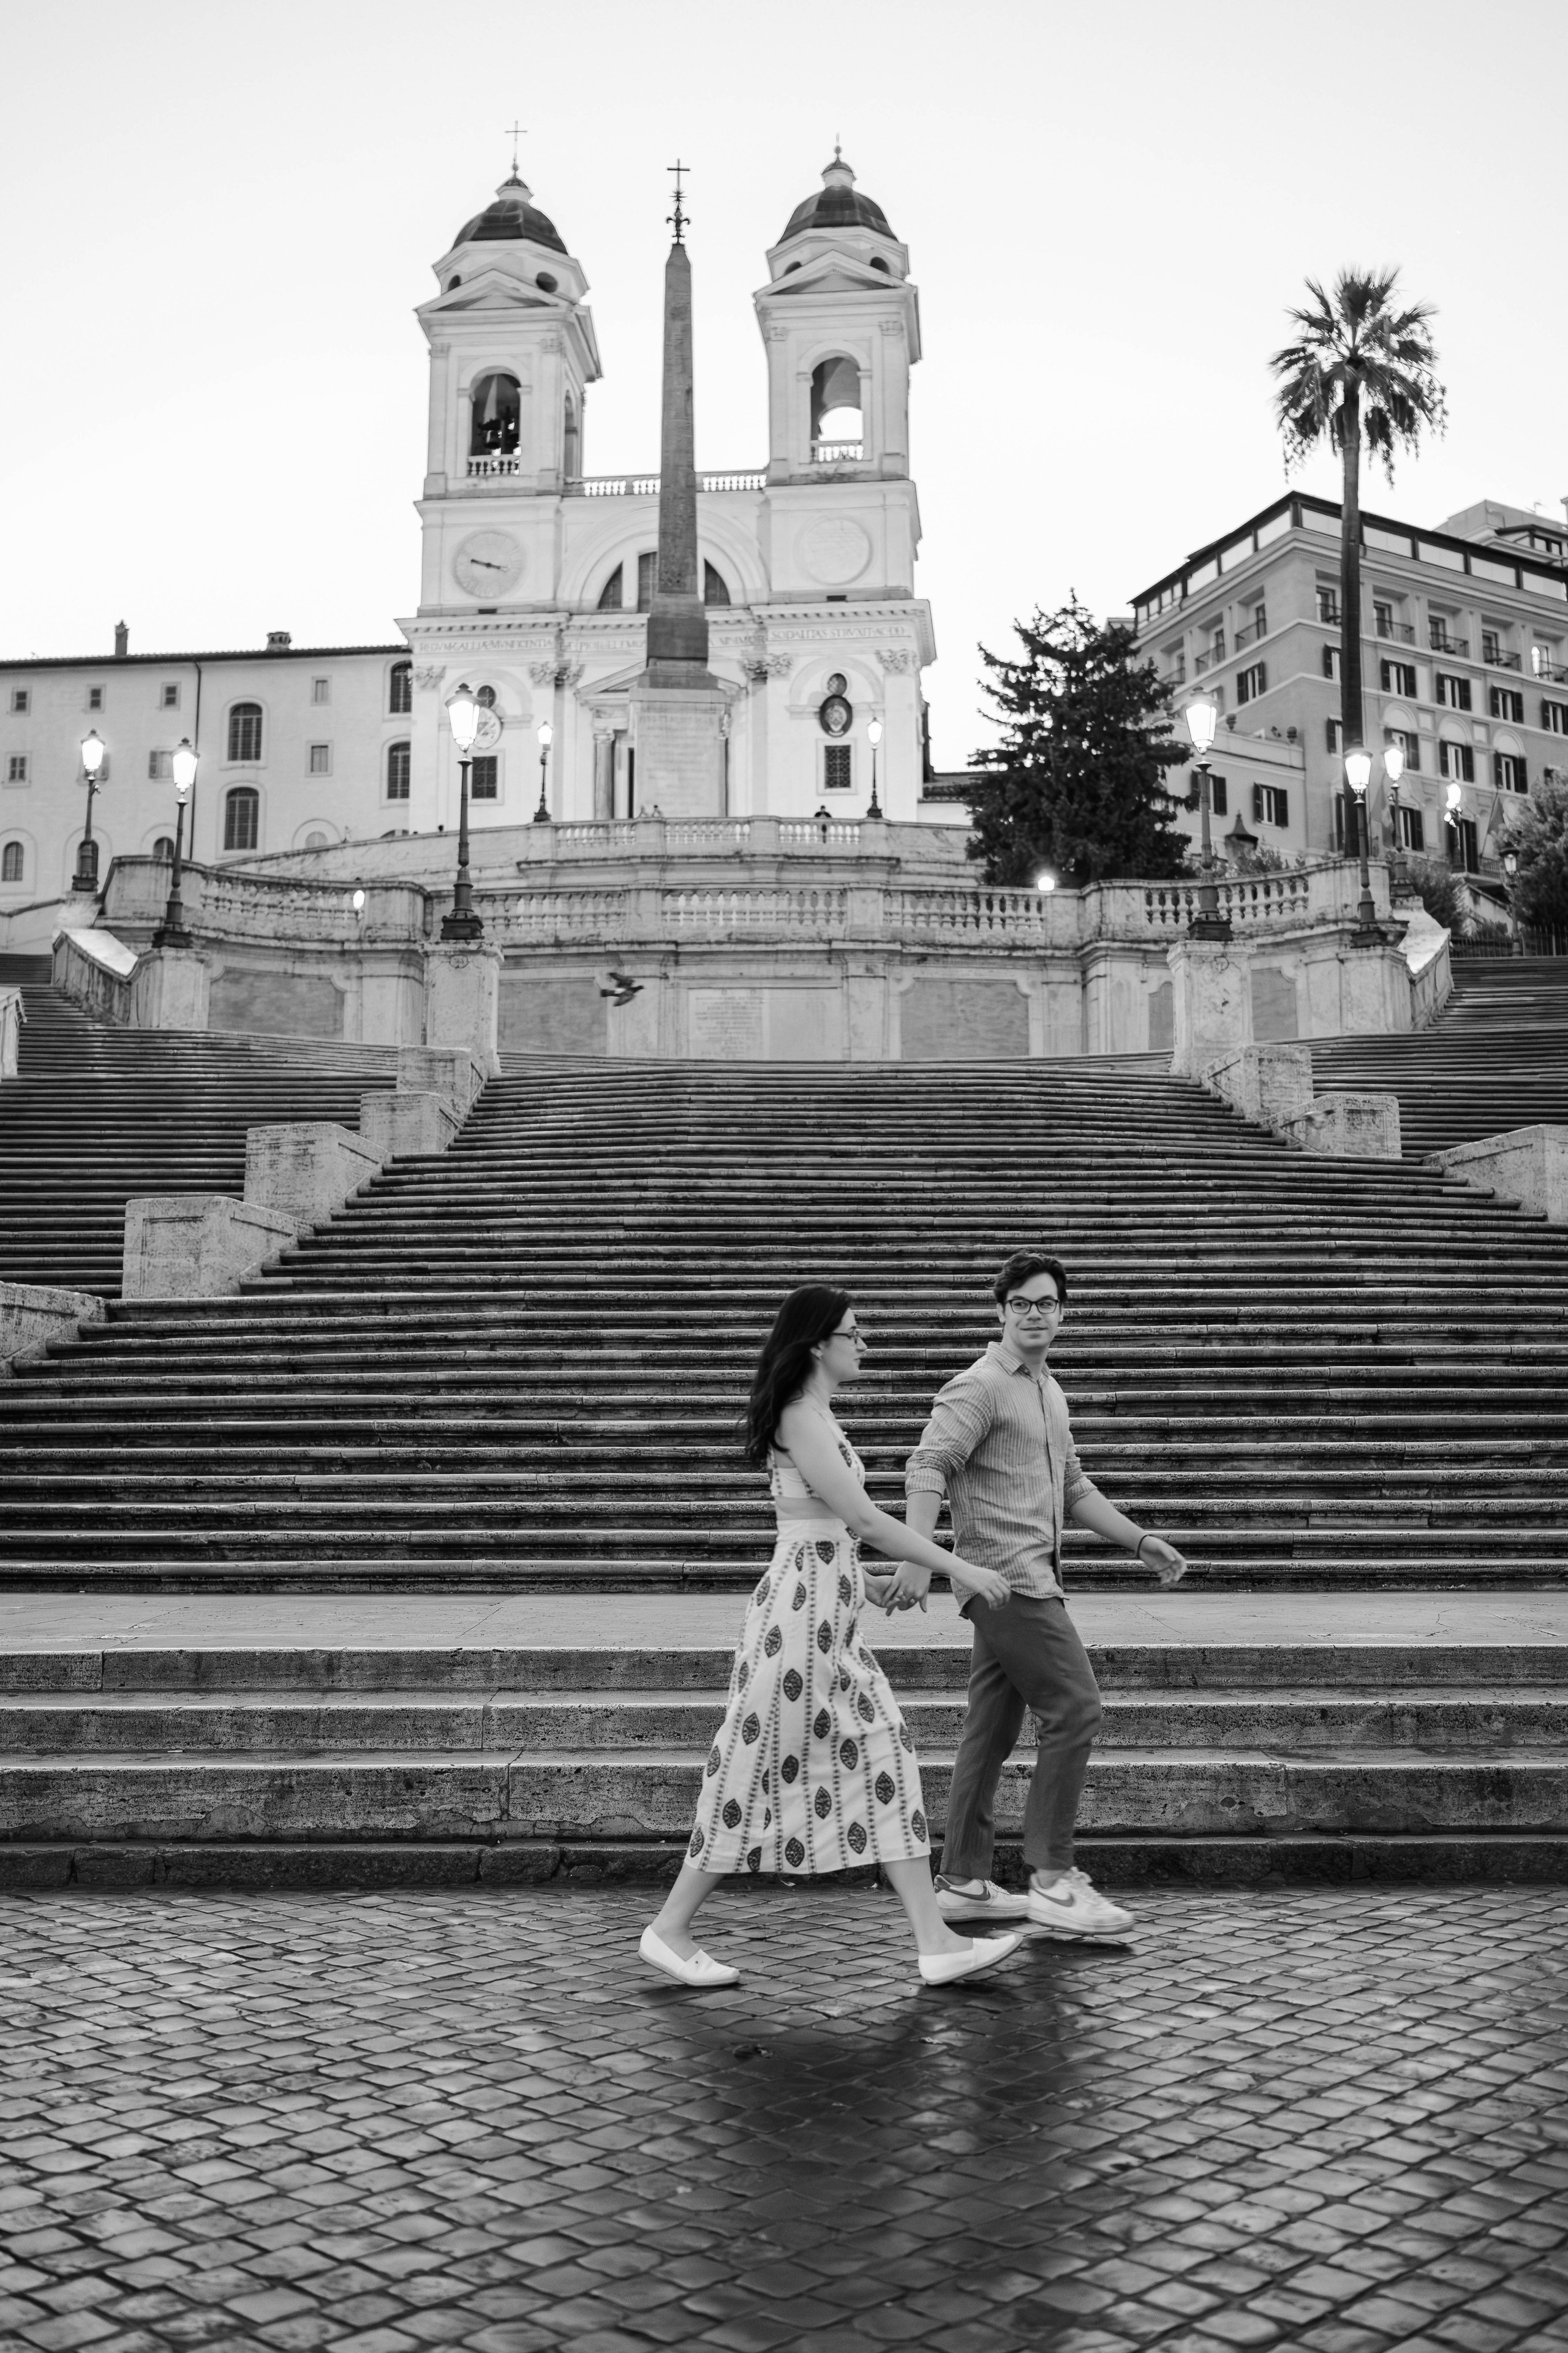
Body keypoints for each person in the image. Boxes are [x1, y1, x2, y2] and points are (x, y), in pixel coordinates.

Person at [641, 1286, 1028, 1992]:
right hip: (800, 1623)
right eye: (855, 1331)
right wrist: (958, 1564)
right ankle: (668, 1927)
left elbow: (825, 1529)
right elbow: (866, 1520)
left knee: (885, 1751)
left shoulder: (814, 1414)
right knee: (753, 1763)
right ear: (818, 1342)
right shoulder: (801, 1416)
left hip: (827, 1612)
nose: (865, 1341)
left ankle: (936, 1942)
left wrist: (866, 1580)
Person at [889, 1250, 1187, 1939]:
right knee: (1077, 1706)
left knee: (989, 1732)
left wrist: (1139, 1540)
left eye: (1046, 1303)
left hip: (1028, 1576)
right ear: (1000, 1311)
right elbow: (929, 1465)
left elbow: (1072, 1486)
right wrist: (920, 1556)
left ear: (1062, 1311)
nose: (1033, 1314)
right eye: (1020, 1303)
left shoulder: (1048, 1389)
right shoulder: (979, 1386)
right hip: (1006, 1580)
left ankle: (962, 1880)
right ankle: (1052, 1879)